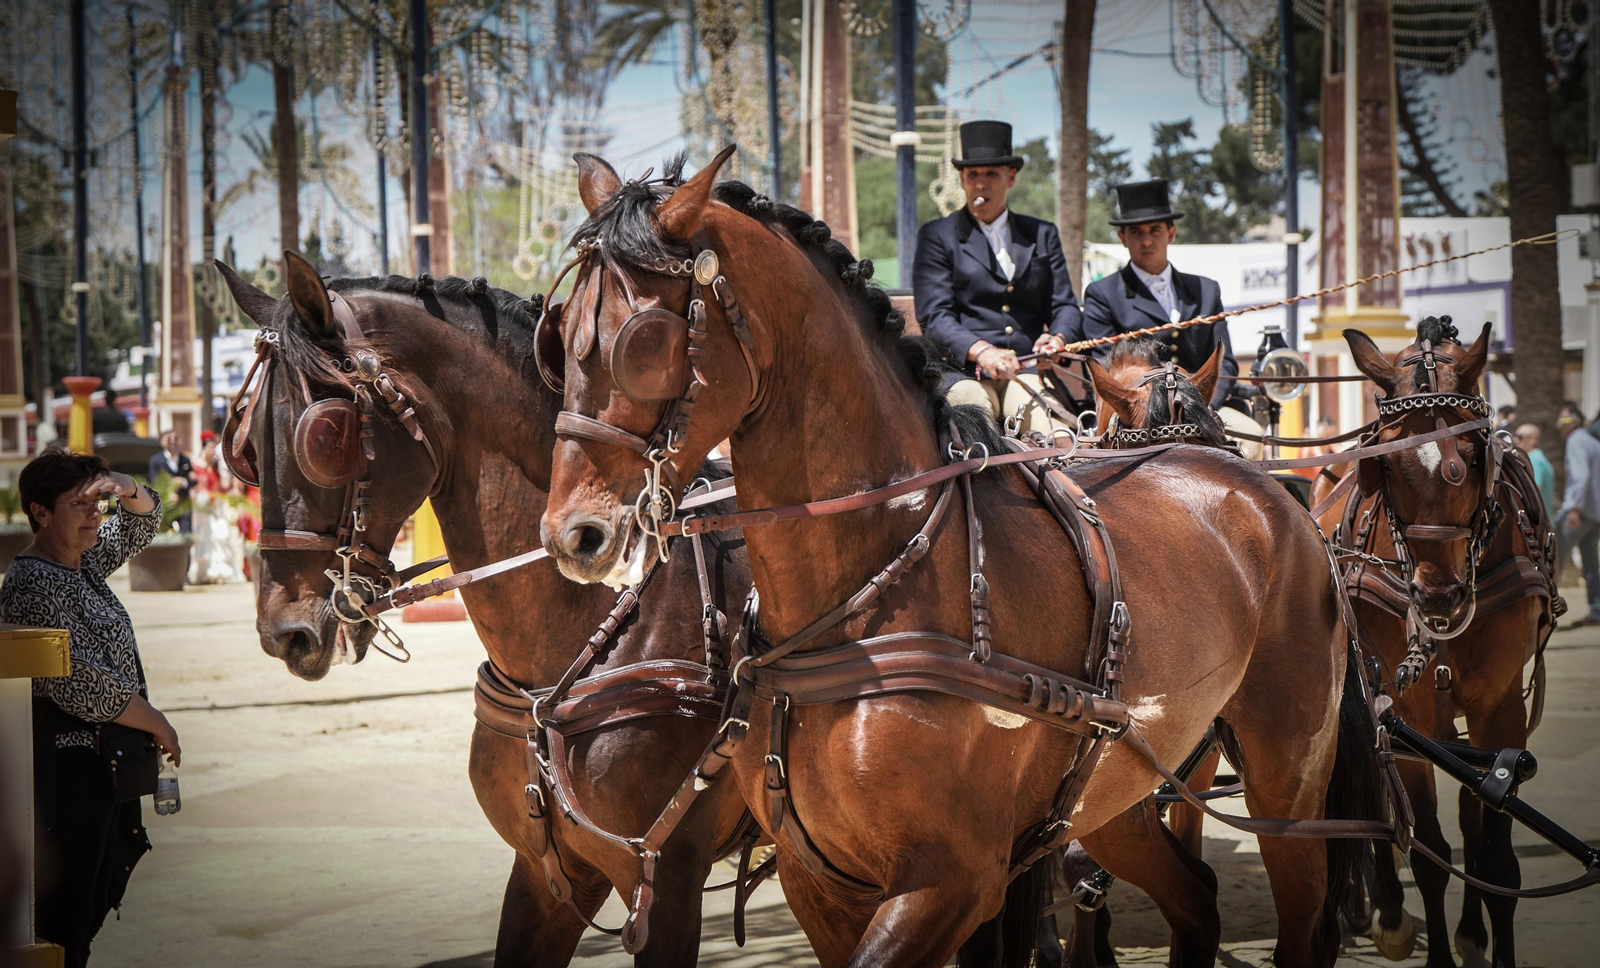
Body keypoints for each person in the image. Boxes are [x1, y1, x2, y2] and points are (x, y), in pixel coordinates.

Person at [0, 445, 172, 967]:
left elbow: (146, 521)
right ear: (40, 512)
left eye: (96, 505)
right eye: (79, 505)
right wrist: (158, 723)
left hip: (108, 762)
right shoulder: (31, 581)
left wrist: (118, 482)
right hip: (68, 770)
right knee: (66, 913)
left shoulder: (84, 561)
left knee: (94, 900)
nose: (95, 516)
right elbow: (77, 682)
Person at [913, 120, 1082, 437]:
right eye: (973, 175)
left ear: (1011, 178)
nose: (981, 184)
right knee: (972, 415)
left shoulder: (1042, 234)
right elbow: (935, 316)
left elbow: (1066, 306)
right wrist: (983, 351)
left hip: (1025, 370)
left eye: (991, 174)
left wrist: (1057, 338)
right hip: (964, 373)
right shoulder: (937, 236)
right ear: (962, 180)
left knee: (1056, 438)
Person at [1080, 180, 1259, 447]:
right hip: (1136, 417)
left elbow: (1227, 363)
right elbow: (1104, 369)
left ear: (1171, 233)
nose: (1147, 240)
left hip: (1204, 407)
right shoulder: (1103, 293)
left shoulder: (1206, 290)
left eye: (1155, 230)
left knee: (1253, 438)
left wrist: (1200, 406)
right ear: (1122, 238)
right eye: (1136, 232)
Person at [1557, 402, 1600, 626]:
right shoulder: (1592, 442)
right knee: (1591, 564)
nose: (1558, 425)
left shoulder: (1576, 440)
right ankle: (1597, 610)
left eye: (1563, 420)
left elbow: (1581, 476)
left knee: (1552, 559)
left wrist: (1574, 509)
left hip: (1579, 513)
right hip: (1594, 515)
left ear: (1574, 422)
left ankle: (1545, 608)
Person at [146, 430, 194, 533]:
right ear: (162, 442)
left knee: (186, 534)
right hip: (164, 506)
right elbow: (154, 480)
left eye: (175, 438)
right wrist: (168, 493)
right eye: (169, 439)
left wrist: (183, 482)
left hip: (183, 505)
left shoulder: (185, 460)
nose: (172, 441)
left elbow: (193, 480)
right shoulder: (156, 460)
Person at [1514, 422, 1556, 514]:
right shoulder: (1538, 457)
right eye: (1515, 436)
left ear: (1533, 440)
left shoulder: (1533, 459)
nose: (1515, 440)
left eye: (1520, 437)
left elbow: (1534, 491)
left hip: (1538, 524)